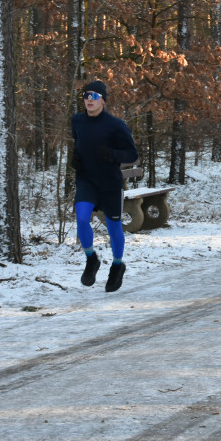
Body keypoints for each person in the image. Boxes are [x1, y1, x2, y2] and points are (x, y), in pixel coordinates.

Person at [70, 80, 139, 292]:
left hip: (110, 183)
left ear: (103, 100)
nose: (89, 99)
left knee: (114, 228)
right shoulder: (77, 121)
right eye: (86, 95)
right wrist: (76, 158)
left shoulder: (115, 125)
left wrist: (110, 154)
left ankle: (117, 266)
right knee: (82, 219)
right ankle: (92, 259)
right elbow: (79, 142)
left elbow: (132, 155)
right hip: (87, 180)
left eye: (95, 96)